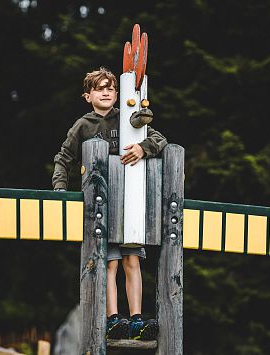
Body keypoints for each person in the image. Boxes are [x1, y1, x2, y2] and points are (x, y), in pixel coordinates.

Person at [52, 67, 167, 340]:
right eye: (99, 88)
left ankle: (136, 318)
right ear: (87, 95)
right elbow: (64, 157)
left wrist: (143, 148)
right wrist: (59, 188)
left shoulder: (129, 118)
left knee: (132, 260)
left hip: (130, 204)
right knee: (109, 263)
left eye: (110, 88)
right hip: (101, 208)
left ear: (118, 93)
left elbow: (160, 140)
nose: (105, 92)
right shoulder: (83, 125)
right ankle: (113, 318)